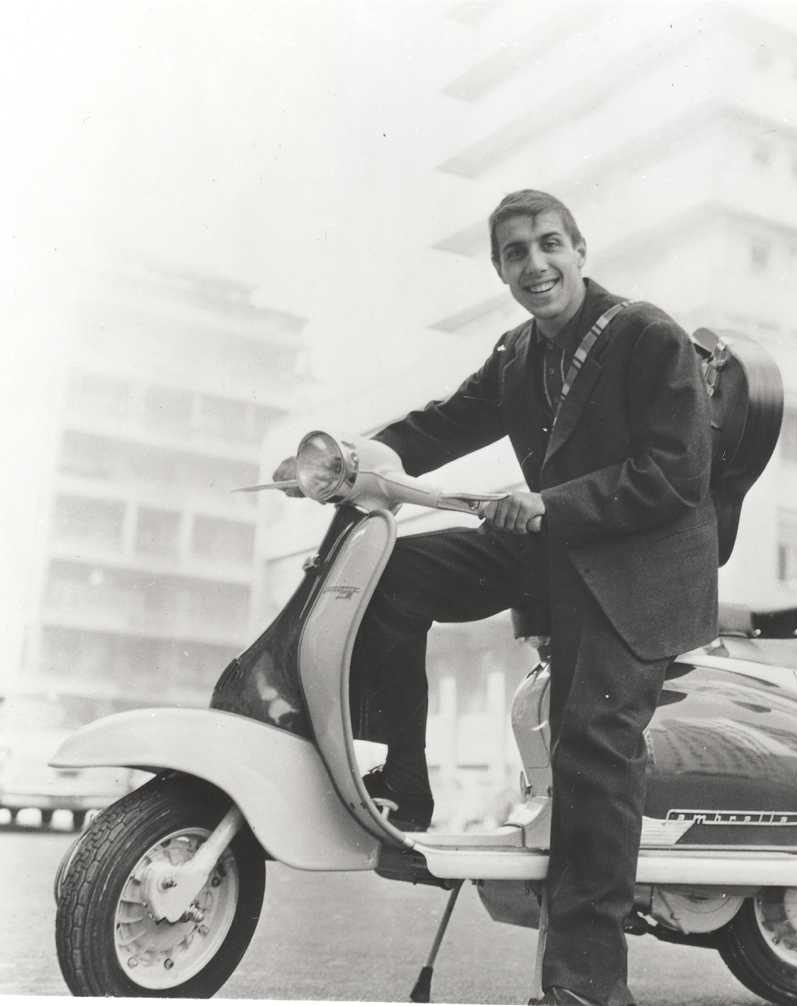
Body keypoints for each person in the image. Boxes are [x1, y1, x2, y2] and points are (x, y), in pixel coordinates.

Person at [276, 190, 718, 1006]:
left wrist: (554, 504)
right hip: (557, 548)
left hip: (635, 571)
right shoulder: (519, 352)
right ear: (501, 271)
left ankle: (586, 988)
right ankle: (403, 780)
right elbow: (444, 423)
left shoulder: (646, 335)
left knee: (592, 747)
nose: (535, 264)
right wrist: (339, 462)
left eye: (550, 244)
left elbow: (676, 475)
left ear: (581, 249)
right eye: (516, 253)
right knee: (393, 576)